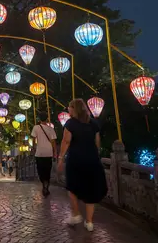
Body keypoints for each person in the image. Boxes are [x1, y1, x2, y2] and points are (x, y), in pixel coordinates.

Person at [57, 99, 107, 232]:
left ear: (74, 109)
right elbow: (97, 142)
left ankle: (76, 214)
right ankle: (89, 222)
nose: (68, 109)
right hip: (92, 160)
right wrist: (95, 155)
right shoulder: (93, 124)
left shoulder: (71, 123)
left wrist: (61, 158)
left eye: (69, 107)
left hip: (76, 159)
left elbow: (66, 141)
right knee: (91, 189)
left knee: (72, 187)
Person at [31, 113, 57, 196]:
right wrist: (55, 152)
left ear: (39, 119)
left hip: (39, 152)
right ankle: (46, 186)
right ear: (47, 119)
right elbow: (53, 142)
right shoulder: (51, 129)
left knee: (40, 170)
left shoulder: (36, 128)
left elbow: (33, 138)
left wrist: (34, 147)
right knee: (47, 170)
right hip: (48, 152)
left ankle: (44, 185)